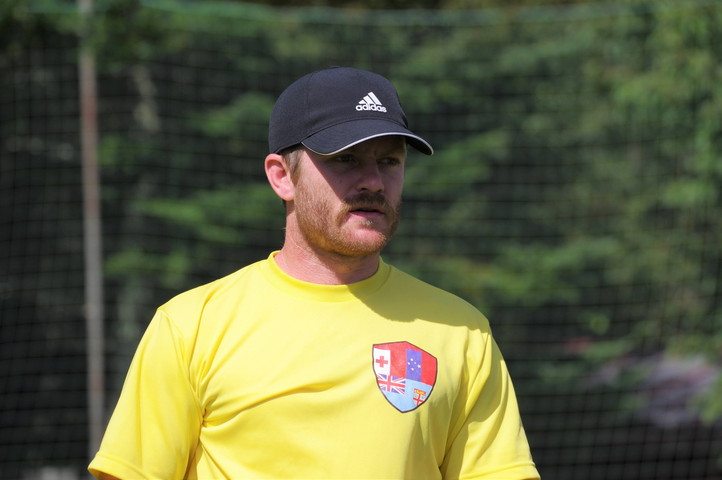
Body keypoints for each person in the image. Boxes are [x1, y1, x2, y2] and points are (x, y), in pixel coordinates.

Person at [88, 66, 540, 480]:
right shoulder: (191, 325)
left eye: (389, 161)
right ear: (282, 177)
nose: (373, 181)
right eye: (345, 159)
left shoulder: (462, 331)